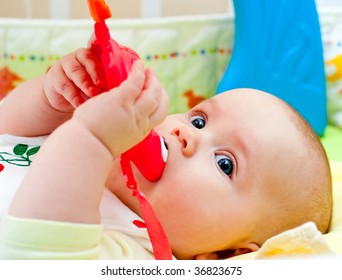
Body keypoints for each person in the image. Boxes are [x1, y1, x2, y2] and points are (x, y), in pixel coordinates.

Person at [0, 42, 332, 260]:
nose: (186, 134)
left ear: (225, 254)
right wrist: (51, 101)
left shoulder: (137, 253)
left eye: (225, 164)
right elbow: (8, 131)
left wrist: (92, 139)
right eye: (199, 120)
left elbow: (38, 255)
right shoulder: (82, 146)